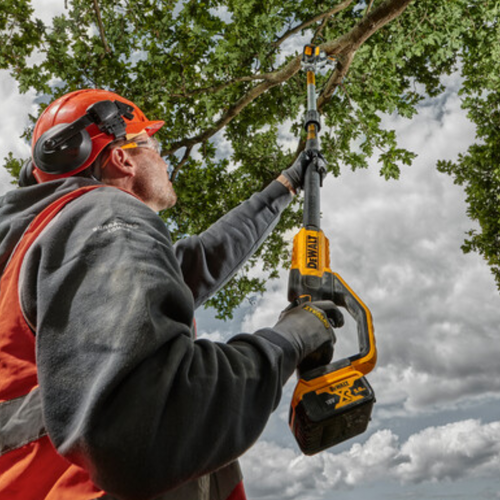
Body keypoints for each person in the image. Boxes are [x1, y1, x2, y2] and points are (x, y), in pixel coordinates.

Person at [0, 89, 343, 500]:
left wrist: (285, 186)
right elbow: (153, 421)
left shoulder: (41, 251)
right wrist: (290, 339)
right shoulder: (104, 215)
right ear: (122, 158)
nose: (162, 159)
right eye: (151, 143)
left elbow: (199, 260)